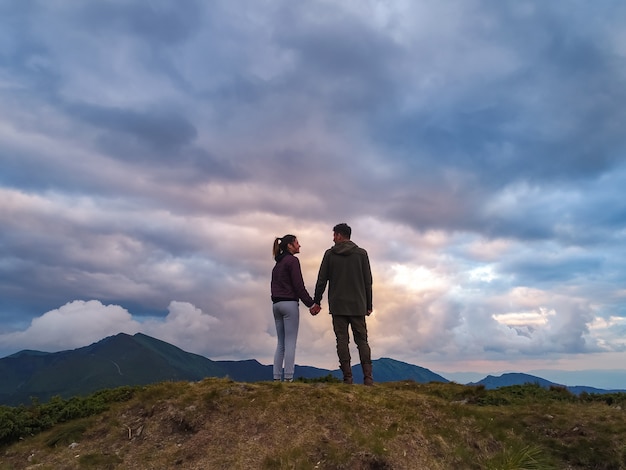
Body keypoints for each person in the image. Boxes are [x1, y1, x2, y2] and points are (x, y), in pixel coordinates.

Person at [312, 223, 374, 385]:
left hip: (338, 304)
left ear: (339, 235)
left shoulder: (330, 255)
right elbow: (368, 282)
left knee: (342, 340)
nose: (333, 238)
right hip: (358, 304)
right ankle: (368, 378)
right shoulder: (362, 254)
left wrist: (317, 301)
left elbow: (321, 280)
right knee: (362, 340)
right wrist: (368, 304)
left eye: (334, 235)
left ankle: (348, 378)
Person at [271, 234, 321, 382]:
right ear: (290, 246)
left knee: (281, 343)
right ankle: (288, 378)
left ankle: (276, 378)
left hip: (276, 304)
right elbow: (299, 286)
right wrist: (312, 304)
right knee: (290, 342)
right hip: (289, 304)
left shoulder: (277, 264)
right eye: (297, 243)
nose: (299, 246)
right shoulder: (292, 261)